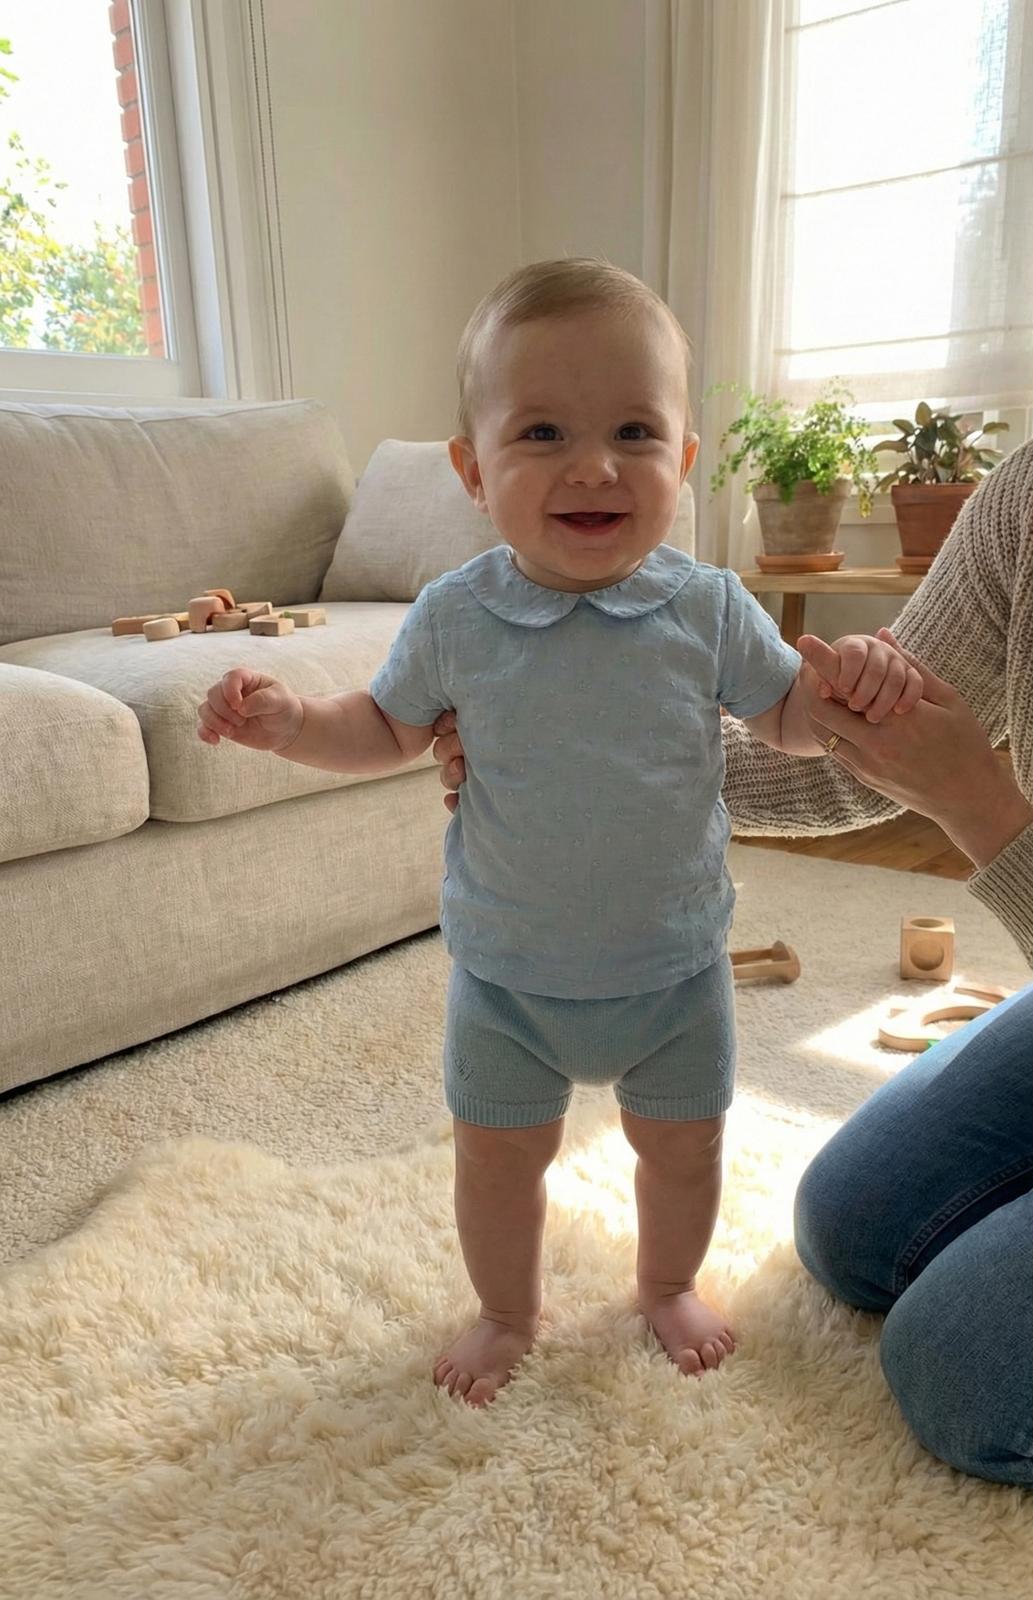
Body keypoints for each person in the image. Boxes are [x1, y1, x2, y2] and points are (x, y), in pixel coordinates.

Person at [430, 113, 1033, 1487]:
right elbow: (842, 740)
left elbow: (951, 790)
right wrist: (606, 765)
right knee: (848, 1231)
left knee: (975, 1379)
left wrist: (984, 811)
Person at [195, 258, 923, 1407]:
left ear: (683, 460)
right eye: (541, 431)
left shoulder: (708, 606)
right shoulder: (455, 616)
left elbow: (789, 716)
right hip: (509, 979)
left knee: (680, 1150)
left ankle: (666, 1283)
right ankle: (506, 1308)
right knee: (498, 1161)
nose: (594, 465)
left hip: (675, 970)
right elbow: (383, 728)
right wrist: (292, 724)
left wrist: (853, 689)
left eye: (636, 430)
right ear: (472, 471)